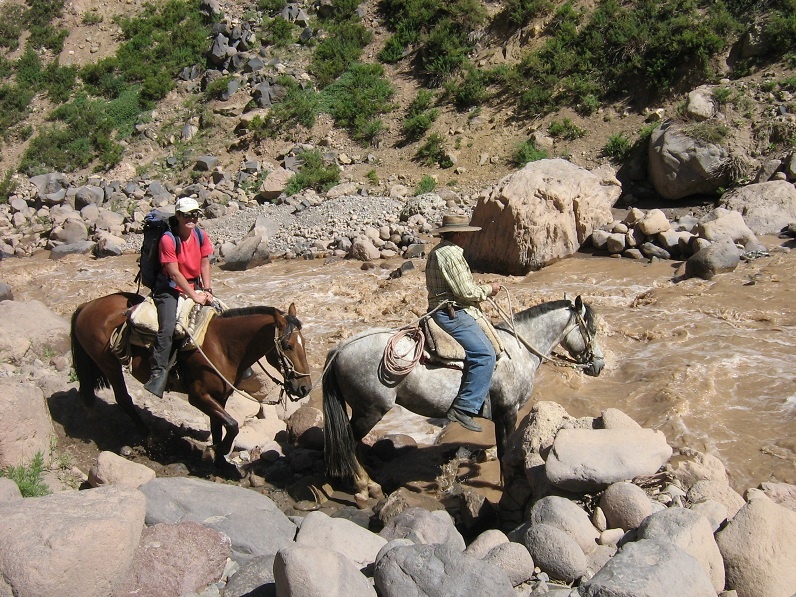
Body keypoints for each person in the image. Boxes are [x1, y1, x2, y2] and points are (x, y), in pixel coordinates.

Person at [426, 213, 500, 432]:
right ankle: (464, 407)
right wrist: (489, 289)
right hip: (453, 312)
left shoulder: (438, 251)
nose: (468, 238)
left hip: (440, 308)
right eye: (465, 234)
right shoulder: (452, 254)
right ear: (458, 234)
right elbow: (465, 292)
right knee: (485, 354)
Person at [143, 197, 214, 398]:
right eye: (186, 215)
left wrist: (207, 289)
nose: (191, 218)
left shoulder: (200, 234)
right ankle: (158, 372)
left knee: (220, 313)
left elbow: (205, 263)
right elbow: (174, 273)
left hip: (194, 284)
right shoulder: (168, 239)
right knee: (167, 327)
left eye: (195, 214)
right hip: (169, 289)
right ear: (178, 216)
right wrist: (194, 296)